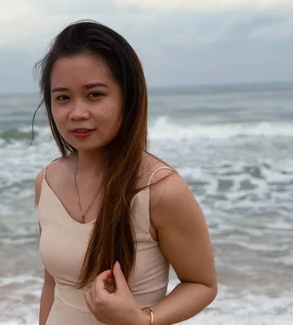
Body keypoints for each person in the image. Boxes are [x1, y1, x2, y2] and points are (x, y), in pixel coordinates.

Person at [33, 20, 217, 325]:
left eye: (94, 95)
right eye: (63, 97)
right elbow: (53, 283)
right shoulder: (47, 182)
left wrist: (142, 318)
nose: (77, 112)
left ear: (127, 98)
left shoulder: (159, 190)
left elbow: (202, 284)